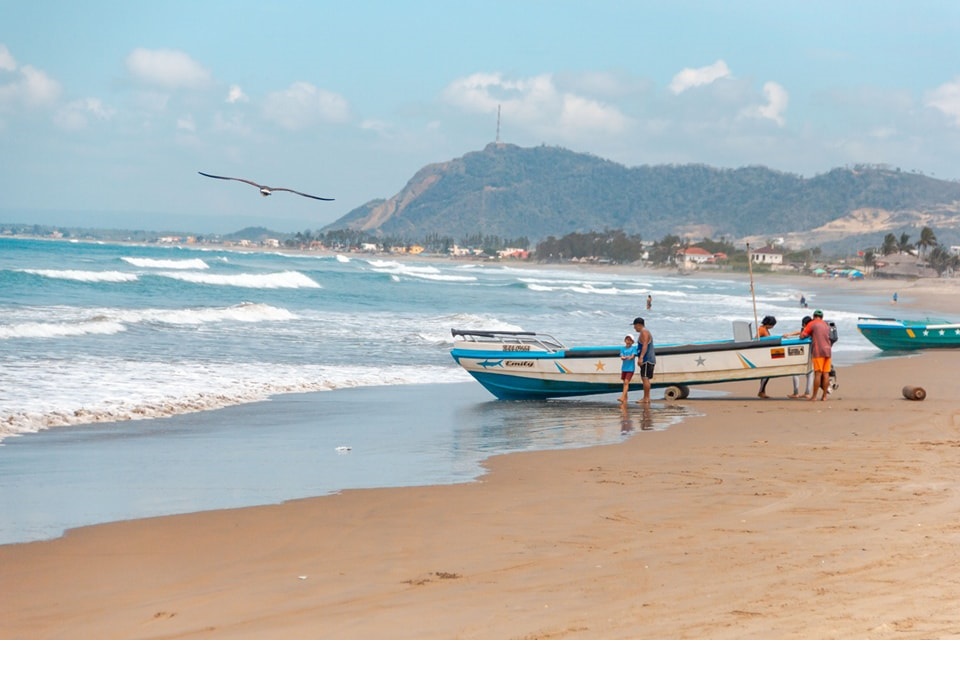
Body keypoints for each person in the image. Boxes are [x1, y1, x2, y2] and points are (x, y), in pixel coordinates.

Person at [800, 309, 833, 401]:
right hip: (828, 350)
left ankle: (814, 396)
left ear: (813, 316)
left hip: (818, 351)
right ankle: (824, 396)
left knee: (818, 374)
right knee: (826, 374)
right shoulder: (826, 325)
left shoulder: (812, 323)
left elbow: (802, 335)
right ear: (822, 317)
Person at [784, 316, 814, 398]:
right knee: (810, 373)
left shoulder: (806, 330)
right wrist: (790, 334)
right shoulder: (813, 330)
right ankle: (807, 393)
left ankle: (796, 392)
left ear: (804, 324)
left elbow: (801, 335)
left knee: (795, 372)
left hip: (801, 354)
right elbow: (799, 332)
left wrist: (789, 335)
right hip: (812, 354)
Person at [632, 317, 656, 403]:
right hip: (648, 359)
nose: (634, 328)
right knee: (645, 378)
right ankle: (646, 397)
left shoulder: (644, 332)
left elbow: (645, 345)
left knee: (645, 378)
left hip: (647, 359)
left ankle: (646, 398)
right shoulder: (644, 332)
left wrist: (641, 357)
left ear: (639, 325)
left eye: (635, 326)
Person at [756, 315, 777, 398]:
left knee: (766, 374)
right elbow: (756, 339)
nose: (772, 327)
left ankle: (762, 391)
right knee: (766, 373)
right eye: (772, 325)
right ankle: (761, 391)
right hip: (762, 355)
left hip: (765, 354)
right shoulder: (761, 329)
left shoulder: (765, 329)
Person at [617, 334, 638, 404]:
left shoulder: (633, 348)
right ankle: (625, 397)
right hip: (624, 368)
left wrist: (630, 357)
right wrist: (623, 357)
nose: (628, 342)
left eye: (630, 340)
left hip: (630, 368)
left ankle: (622, 397)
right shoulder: (622, 348)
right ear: (625, 341)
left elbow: (633, 356)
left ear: (632, 342)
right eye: (627, 340)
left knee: (626, 382)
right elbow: (621, 356)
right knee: (624, 382)